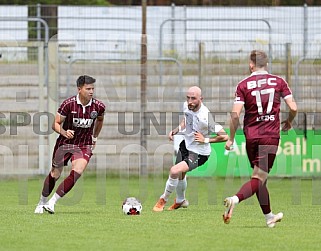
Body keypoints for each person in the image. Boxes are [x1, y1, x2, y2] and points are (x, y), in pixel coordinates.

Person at [223, 50, 297, 227]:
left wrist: (231, 138)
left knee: (259, 177)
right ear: (267, 64)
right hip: (269, 136)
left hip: (252, 137)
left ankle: (269, 216)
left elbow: (235, 115)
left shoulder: (243, 84)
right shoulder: (279, 82)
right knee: (258, 177)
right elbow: (293, 107)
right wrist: (289, 121)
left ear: (251, 64)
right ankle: (235, 199)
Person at [34, 75, 105, 214]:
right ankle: (41, 202)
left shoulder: (99, 106)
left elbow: (100, 120)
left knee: (78, 171)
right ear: (79, 89)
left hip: (84, 144)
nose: (91, 92)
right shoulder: (68, 104)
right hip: (65, 143)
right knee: (55, 174)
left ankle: (52, 202)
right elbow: (55, 124)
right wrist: (64, 132)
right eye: (88, 88)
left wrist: (94, 138)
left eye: (93, 89)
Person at [153, 86, 228, 212]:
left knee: (174, 171)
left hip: (199, 153)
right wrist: (176, 130)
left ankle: (163, 199)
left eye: (193, 98)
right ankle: (180, 200)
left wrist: (206, 140)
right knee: (181, 174)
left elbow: (225, 136)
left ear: (201, 99)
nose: (189, 101)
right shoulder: (187, 106)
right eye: (188, 98)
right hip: (185, 145)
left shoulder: (205, 116)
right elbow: (185, 120)